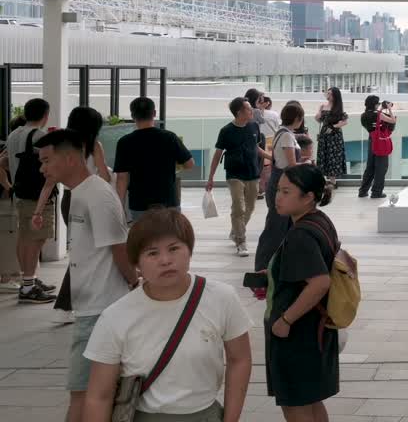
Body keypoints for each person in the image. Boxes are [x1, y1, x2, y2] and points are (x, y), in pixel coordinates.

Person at [82, 209, 252, 422]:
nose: (165, 260)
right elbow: (99, 396)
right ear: (137, 264)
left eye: (174, 249)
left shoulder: (222, 298)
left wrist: (231, 419)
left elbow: (240, 359)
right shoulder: (115, 317)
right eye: (152, 253)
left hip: (205, 414)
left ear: (189, 251)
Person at [34, 129, 136, 422]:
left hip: (101, 310)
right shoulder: (78, 192)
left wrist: (133, 283)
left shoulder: (99, 195)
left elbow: (118, 248)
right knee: (87, 392)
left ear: (68, 159)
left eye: (46, 160)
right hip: (90, 308)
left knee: (84, 393)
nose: (42, 168)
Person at [265, 164, 340, 420]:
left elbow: (320, 282)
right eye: (277, 190)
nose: (278, 197)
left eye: (286, 191)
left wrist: (285, 321)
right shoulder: (319, 220)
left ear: (308, 197)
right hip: (317, 328)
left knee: (295, 405)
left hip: (298, 334)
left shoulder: (300, 234)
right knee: (312, 400)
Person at [46, 106, 111, 319]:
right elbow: (105, 176)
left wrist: (38, 210)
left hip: (68, 199)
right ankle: (65, 306)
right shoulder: (94, 146)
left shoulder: (62, 146)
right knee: (85, 253)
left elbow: (51, 178)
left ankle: (70, 305)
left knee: (82, 250)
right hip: (89, 199)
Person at [6, 98, 57, 304]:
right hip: (36, 196)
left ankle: (29, 280)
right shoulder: (39, 136)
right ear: (45, 116)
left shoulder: (14, 134)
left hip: (19, 192)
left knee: (25, 237)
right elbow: (51, 165)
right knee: (35, 239)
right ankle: (28, 286)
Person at [207, 97, 270, 257]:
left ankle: (235, 231)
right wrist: (211, 178)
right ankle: (241, 241)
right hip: (234, 174)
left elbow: (256, 148)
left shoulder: (254, 126)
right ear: (239, 112)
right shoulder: (226, 131)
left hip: (253, 173)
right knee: (238, 207)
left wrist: (272, 158)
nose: (252, 111)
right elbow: (217, 155)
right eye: (249, 109)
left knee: (249, 208)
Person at [114, 97, 195, 221]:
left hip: (139, 204)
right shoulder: (169, 137)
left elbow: (122, 178)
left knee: (144, 240)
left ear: (133, 115)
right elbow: (190, 164)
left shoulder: (125, 142)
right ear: (154, 113)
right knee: (169, 238)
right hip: (168, 203)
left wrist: (119, 208)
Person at [255, 102, 306, 274]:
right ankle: (262, 268)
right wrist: (305, 163)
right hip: (281, 185)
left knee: (281, 228)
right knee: (274, 230)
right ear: (298, 118)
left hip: (281, 184)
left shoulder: (283, 133)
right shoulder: (286, 136)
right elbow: (291, 164)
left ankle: (276, 267)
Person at [0, 115, 27, 293]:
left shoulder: (10, 145)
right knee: (8, 237)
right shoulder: (9, 146)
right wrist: (8, 187)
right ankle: (6, 277)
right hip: (5, 199)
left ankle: (11, 276)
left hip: (9, 197)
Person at [358, 95, 397, 199]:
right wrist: (388, 109)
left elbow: (373, 122)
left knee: (370, 167)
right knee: (381, 168)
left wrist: (380, 109)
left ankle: (363, 191)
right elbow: (393, 121)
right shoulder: (379, 115)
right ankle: (376, 192)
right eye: (378, 103)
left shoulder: (363, 115)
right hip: (380, 141)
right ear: (375, 104)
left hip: (372, 139)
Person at [315, 87, 348, 189]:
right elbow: (318, 120)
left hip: (334, 136)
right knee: (323, 155)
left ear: (335, 96)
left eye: (330, 94)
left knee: (333, 157)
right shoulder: (323, 106)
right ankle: (323, 180)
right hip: (324, 134)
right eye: (327, 93)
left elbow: (345, 121)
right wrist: (319, 111)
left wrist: (334, 127)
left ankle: (333, 181)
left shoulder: (338, 108)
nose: (328, 95)